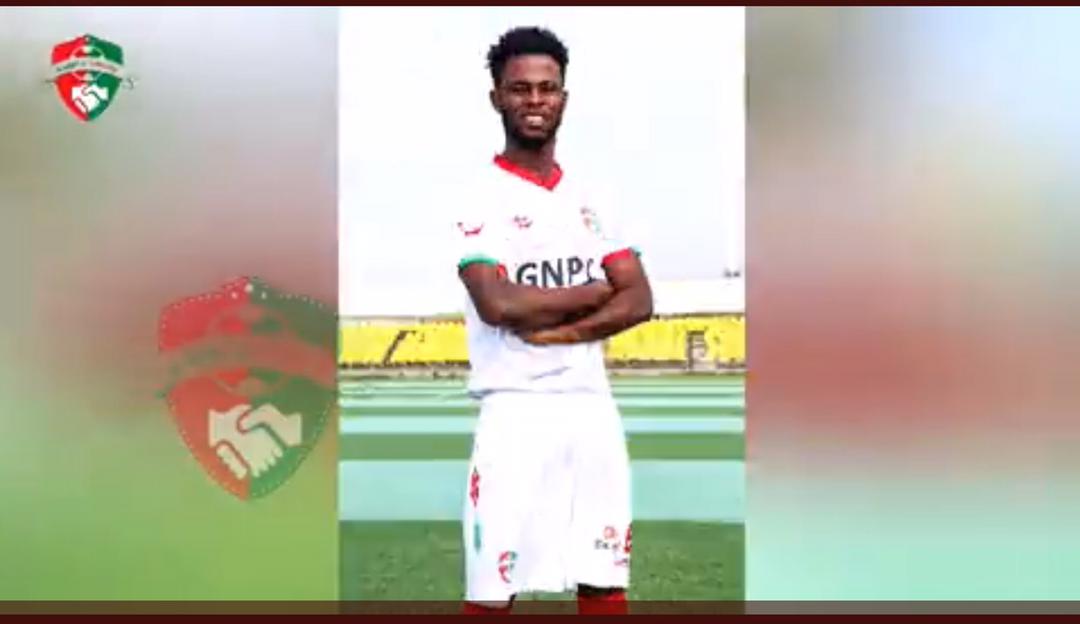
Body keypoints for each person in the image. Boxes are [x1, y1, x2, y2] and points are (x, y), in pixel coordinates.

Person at [453, 26, 654, 615]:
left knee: (604, 578)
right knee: (492, 588)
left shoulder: (593, 196)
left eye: (547, 88)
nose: (535, 100)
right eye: (520, 88)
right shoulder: (481, 195)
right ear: (497, 97)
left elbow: (639, 299)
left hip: (591, 405)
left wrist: (562, 331)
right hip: (514, 407)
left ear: (564, 97)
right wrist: (594, 290)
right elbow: (498, 303)